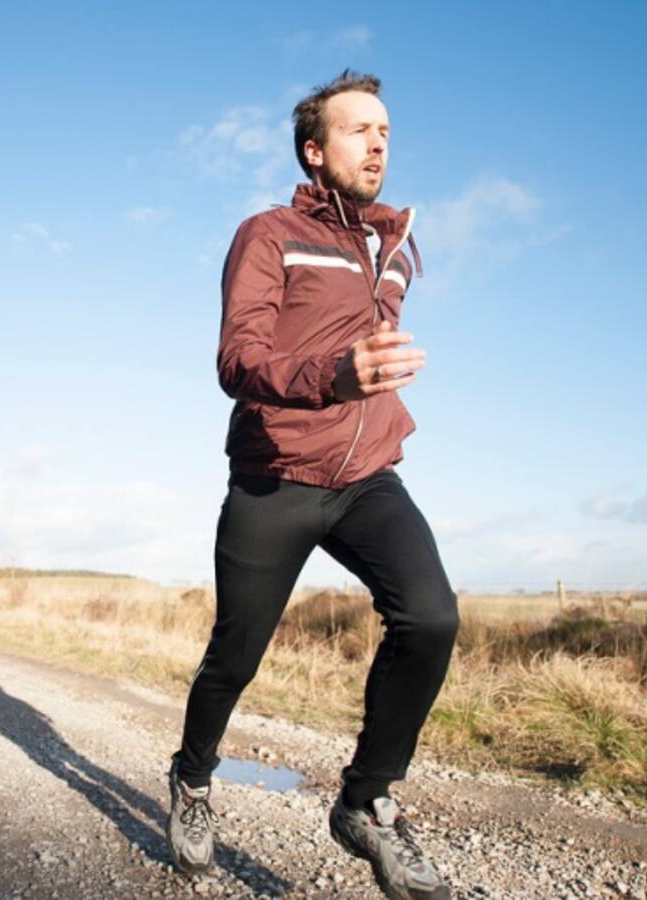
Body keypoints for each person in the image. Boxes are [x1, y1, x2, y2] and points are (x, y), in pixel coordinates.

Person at [166, 70, 459, 900]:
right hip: (276, 475)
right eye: (359, 129)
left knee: (431, 618)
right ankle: (192, 777)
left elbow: (375, 347)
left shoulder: (396, 248)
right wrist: (336, 373)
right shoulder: (268, 233)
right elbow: (238, 359)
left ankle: (366, 803)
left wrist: (371, 377)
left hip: (368, 474)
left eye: (387, 132)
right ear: (314, 148)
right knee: (236, 653)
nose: (378, 144)